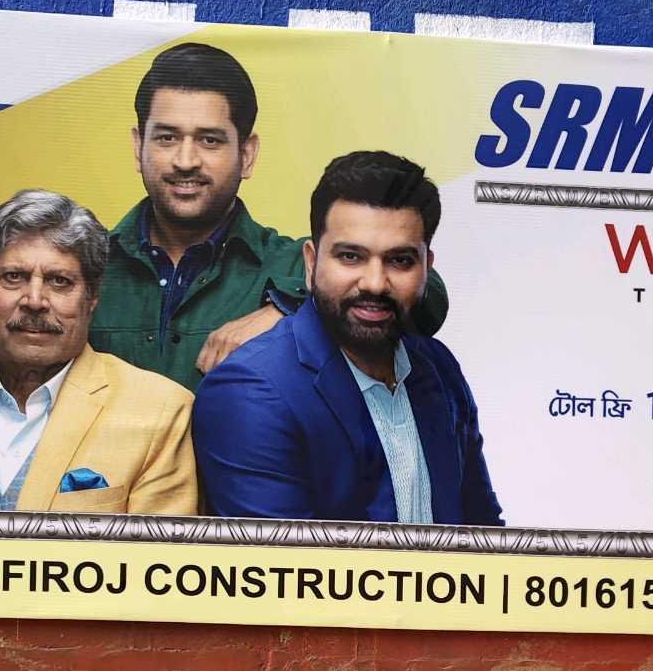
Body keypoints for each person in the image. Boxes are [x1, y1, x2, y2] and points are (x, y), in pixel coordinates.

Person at [92, 40, 448, 389]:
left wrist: (290, 311)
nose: (185, 161)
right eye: (167, 138)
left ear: (247, 155)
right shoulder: (87, 267)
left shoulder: (298, 265)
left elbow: (428, 293)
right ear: (138, 147)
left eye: (210, 140)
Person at [192, 151, 502, 526]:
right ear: (311, 263)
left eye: (400, 260)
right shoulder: (250, 391)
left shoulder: (437, 365)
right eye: (351, 257)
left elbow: (483, 531)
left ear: (426, 268)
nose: (375, 283)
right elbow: (284, 562)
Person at [0, 189, 197, 514]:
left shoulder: (160, 412)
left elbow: (156, 547)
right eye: (14, 277)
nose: (35, 301)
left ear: (92, 296)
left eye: (59, 281)